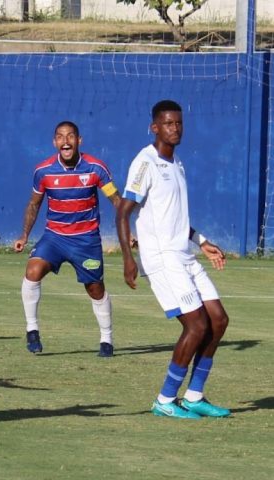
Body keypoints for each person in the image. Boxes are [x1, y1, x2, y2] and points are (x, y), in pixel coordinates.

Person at [116, 100, 230, 419]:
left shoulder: (177, 163)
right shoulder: (146, 162)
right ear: (155, 127)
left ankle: (193, 397)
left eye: (178, 123)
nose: (175, 128)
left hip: (184, 254)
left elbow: (175, 218)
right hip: (162, 258)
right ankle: (165, 400)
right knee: (196, 325)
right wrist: (128, 258)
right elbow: (123, 212)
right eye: (168, 123)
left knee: (218, 320)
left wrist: (202, 242)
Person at [13, 121, 121, 357]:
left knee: (95, 289)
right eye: (60, 137)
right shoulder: (43, 171)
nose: (65, 141)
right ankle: (32, 330)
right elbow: (34, 204)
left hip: (86, 240)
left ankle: (107, 339)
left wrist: (129, 231)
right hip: (55, 238)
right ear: (55, 143)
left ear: (79, 141)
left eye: (70, 136)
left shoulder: (95, 168)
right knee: (32, 272)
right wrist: (24, 236)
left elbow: (116, 200)